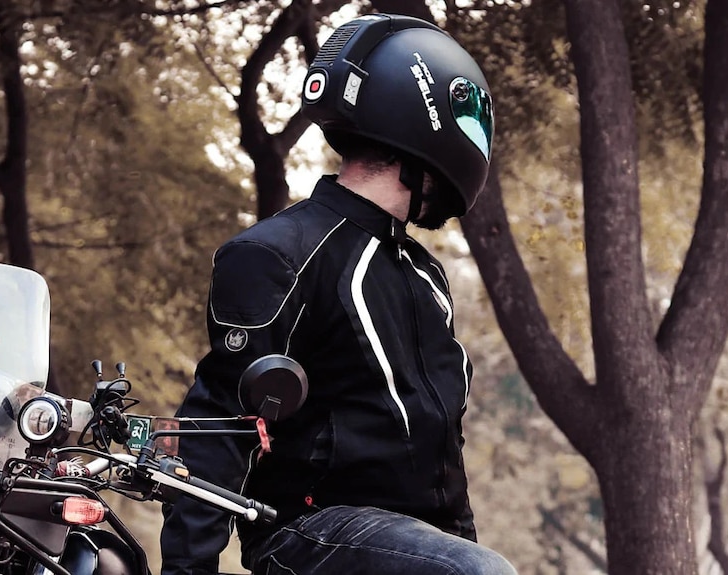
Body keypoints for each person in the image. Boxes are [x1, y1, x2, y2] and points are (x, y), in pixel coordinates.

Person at [160, 13, 515, 575]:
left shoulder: (425, 278)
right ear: (425, 123)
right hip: (307, 529)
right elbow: (219, 427)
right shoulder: (277, 252)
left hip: (407, 544)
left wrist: (463, 548)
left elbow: (440, 448)